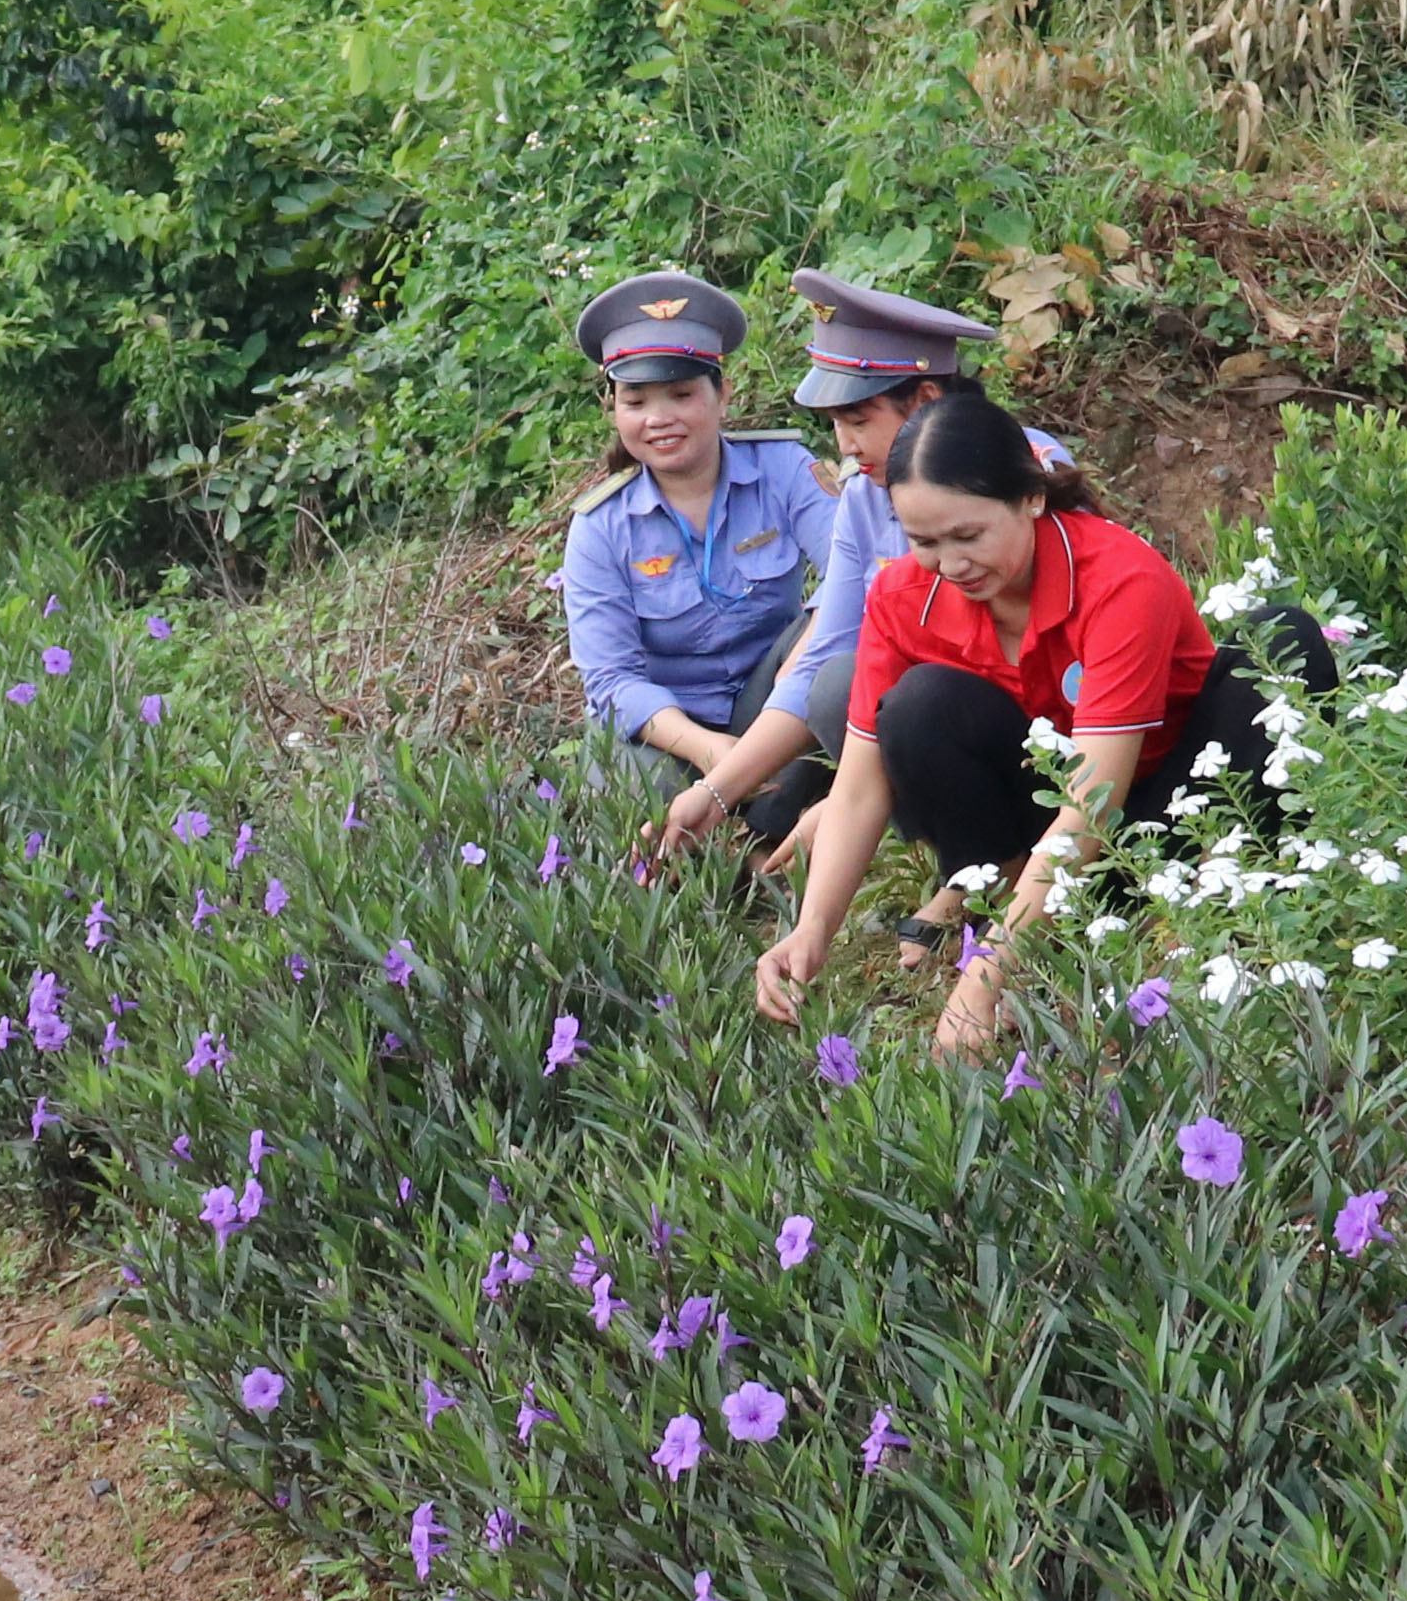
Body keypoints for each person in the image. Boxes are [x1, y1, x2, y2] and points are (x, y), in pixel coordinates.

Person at [747, 393, 1323, 1061]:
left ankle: (1205, 894)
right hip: (1039, 821)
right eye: (924, 541)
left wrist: (988, 977)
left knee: (1281, 642)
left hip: (1165, 803)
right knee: (918, 704)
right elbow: (858, 787)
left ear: (1031, 499)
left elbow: (1095, 796)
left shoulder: (1118, 577)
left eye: (968, 536)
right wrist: (812, 929)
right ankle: (995, 895)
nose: (950, 564)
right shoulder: (904, 595)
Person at [638, 269, 1058, 876]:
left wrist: (849, 799)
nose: (846, 444)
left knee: (881, 690)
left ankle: (994, 864)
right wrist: (717, 793)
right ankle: (924, 848)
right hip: (922, 735)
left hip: (1033, 731)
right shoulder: (863, 495)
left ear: (924, 404)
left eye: (859, 421)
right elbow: (825, 648)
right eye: (835, 423)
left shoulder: (1020, 470)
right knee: (838, 679)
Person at [556, 268, 840, 845]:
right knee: (642, 798)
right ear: (613, 409)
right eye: (635, 401)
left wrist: (799, 669)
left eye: (683, 394)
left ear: (722, 393)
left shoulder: (785, 470)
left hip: (779, 712)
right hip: (668, 735)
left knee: (838, 657)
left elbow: (855, 577)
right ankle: (749, 855)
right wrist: (715, 752)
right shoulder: (599, 527)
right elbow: (610, 678)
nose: (660, 419)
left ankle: (767, 841)